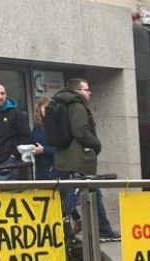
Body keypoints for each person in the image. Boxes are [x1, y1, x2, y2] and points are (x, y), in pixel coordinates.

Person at [52, 78, 120, 241]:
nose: (89, 92)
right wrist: (96, 144)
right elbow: (80, 131)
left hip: (68, 157)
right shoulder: (77, 105)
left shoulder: (62, 104)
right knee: (71, 197)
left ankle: (103, 228)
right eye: (86, 89)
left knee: (94, 193)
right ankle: (54, 225)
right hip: (78, 159)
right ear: (77, 92)